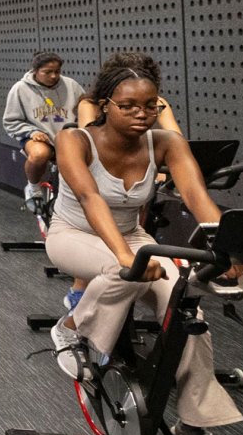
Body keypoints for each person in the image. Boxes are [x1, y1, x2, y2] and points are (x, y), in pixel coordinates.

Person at [44, 65, 243, 435]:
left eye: (150, 106)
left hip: (132, 235)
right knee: (123, 271)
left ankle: (194, 422)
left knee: (186, 311)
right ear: (105, 105)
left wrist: (227, 248)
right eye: (129, 106)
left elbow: (197, 197)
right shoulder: (75, 140)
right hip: (73, 233)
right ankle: (70, 330)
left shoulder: (166, 142)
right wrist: (125, 257)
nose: (141, 114)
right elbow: (89, 198)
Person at [58, 51, 186, 315]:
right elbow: (93, 144)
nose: (140, 109)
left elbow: (174, 135)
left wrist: (167, 159)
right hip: (95, 186)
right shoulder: (89, 104)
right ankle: (80, 295)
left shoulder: (155, 103)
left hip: (131, 180)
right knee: (120, 260)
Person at [2, 52, 85, 206]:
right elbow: (10, 121)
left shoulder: (71, 85)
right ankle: (33, 187)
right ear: (35, 71)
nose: (53, 76)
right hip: (38, 136)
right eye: (47, 72)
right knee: (39, 154)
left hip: (67, 136)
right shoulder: (20, 89)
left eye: (57, 72)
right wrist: (32, 132)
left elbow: (85, 109)